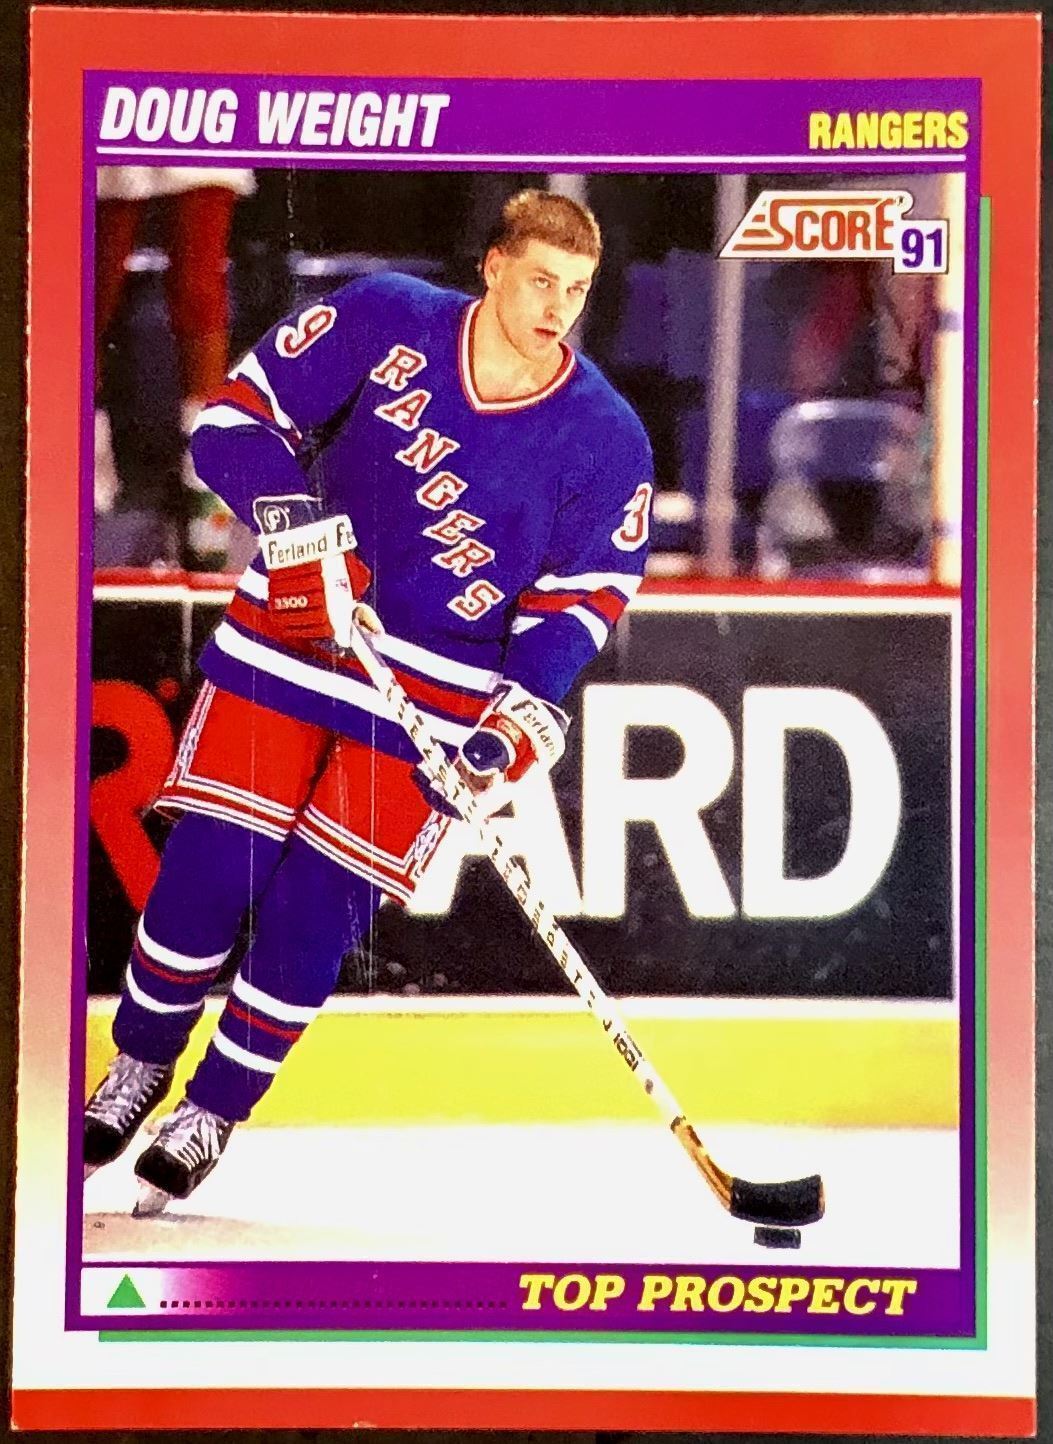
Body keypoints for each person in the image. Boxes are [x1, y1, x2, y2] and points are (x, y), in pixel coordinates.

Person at [83, 189, 655, 1215]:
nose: (557, 308)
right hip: (290, 644)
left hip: (430, 707)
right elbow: (235, 423)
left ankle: (210, 1109)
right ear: (492, 266)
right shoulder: (387, 315)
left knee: (314, 913)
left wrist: (515, 716)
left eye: (576, 290)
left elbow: (580, 602)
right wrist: (294, 521)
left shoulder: (607, 439)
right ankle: (139, 1063)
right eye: (540, 280)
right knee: (210, 871)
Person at [94, 166, 256, 568]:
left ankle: (203, 473)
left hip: (201, 127)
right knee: (95, 278)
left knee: (200, 280)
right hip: (115, 131)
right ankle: (85, 455)